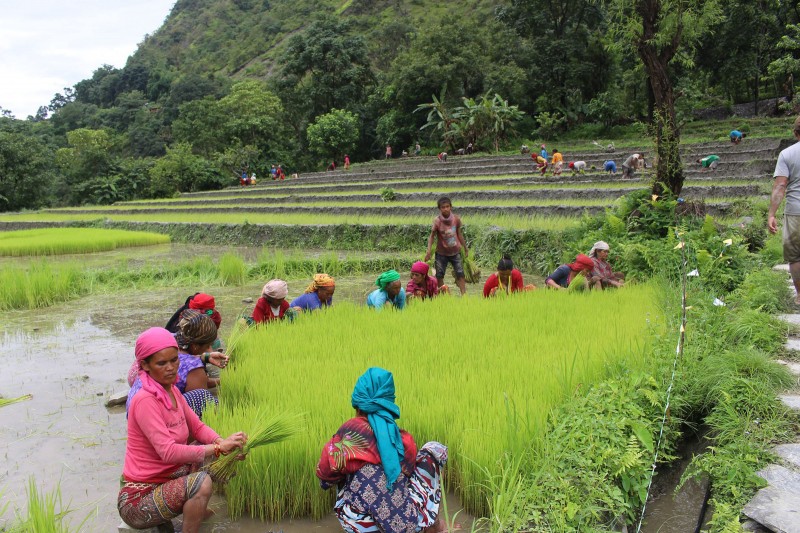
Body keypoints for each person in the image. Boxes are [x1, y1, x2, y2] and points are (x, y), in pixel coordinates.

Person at [118, 327, 246, 533]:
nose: (171, 368)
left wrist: (222, 443)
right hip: (138, 500)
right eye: (162, 363)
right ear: (145, 365)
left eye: (174, 360)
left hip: (166, 480)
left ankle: (197, 513)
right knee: (202, 481)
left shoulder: (173, 390)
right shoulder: (145, 400)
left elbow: (198, 426)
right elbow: (168, 452)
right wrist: (217, 448)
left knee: (220, 459)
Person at [316, 368, 448, 533]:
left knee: (348, 469)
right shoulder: (402, 439)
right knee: (434, 449)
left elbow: (325, 480)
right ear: (389, 401)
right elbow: (409, 469)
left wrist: (356, 468)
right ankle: (430, 523)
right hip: (408, 524)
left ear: (358, 401)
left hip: (358, 524)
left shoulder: (347, 434)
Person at [768, 115, 800, 305]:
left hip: (796, 211)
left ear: (796, 133)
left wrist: (772, 214)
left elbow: (780, 186)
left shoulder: (787, 154)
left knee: (795, 256)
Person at [424, 197, 467, 295]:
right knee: (439, 275)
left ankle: (464, 295)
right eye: (443, 207)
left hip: (455, 252)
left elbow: (459, 233)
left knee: (460, 273)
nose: (446, 209)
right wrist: (429, 251)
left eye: (447, 206)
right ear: (440, 209)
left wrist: (465, 248)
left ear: (451, 207)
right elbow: (432, 237)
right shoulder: (437, 221)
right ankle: (443, 294)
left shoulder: (456, 219)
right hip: (441, 253)